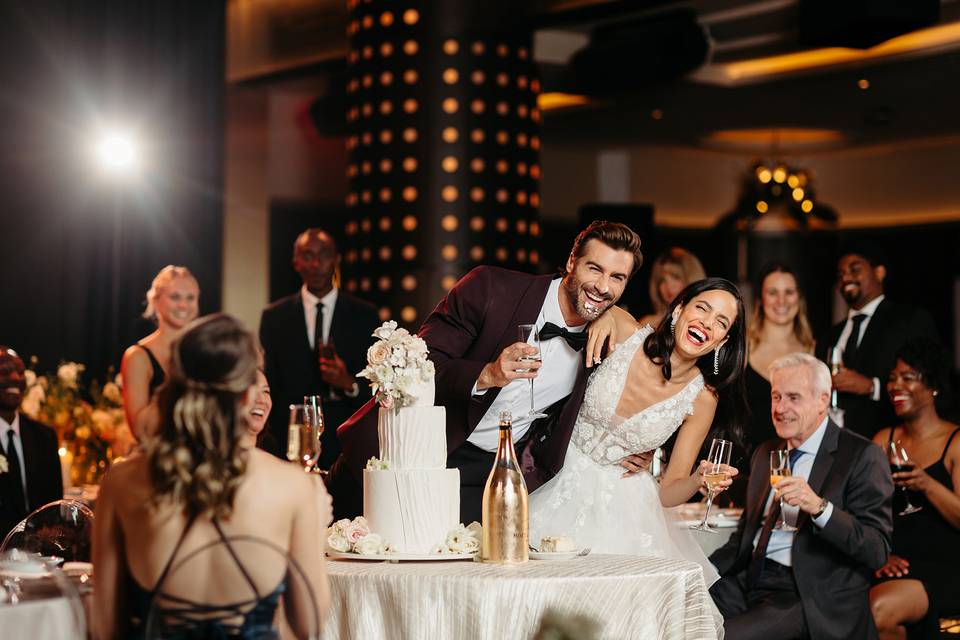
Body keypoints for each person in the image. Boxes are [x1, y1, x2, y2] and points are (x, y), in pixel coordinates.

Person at [335, 220, 648, 523]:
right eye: (594, 269)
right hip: (406, 451)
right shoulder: (490, 288)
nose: (603, 286)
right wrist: (488, 374)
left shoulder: (607, 340)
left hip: (485, 476)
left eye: (617, 277)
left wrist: (636, 446)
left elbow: (648, 385)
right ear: (571, 262)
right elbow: (418, 365)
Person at [93, 315, 331, 640]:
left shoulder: (121, 479)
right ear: (248, 395)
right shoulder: (292, 487)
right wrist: (314, 525)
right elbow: (310, 626)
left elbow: (105, 627)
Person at [530, 278, 747, 593]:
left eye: (721, 322)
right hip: (553, 472)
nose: (707, 323)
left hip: (621, 507)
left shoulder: (702, 400)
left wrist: (698, 480)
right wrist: (603, 314)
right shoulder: (619, 325)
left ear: (722, 341)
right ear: (679, 310)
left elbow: (668, 492)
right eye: (702, 308)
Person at [710, 353, 893, 640]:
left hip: (807, 594)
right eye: (776, 396)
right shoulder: (766, 452)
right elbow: (746, 535)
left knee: (723, 637)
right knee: (677, 614)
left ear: (823, 400)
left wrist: (820, 508)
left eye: (793, 397)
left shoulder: (861, 456)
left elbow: (877, 549)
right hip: (750, 578)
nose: (780, 408)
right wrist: (700, 571)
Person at [259, 228, 379, 469]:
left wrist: (350, 384)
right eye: (307, 255)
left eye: (323, 255)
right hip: (290, 442)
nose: (315, 263)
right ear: (296, 262)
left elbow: (381, 389)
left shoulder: (365, 315)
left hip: (348, 442)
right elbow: (270, 383)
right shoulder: (274, 317)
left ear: (336, 260)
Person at [870, 338, 960, 640]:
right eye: (893, 378)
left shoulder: (955, 443)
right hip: (892, 563)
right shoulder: (884, 439)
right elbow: (860, 507)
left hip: (945, 566)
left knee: (879, 609)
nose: (896, 386)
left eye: (908, 378)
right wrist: (879, 555)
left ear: (933, 385)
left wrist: (927, 484)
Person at [817, 243, 938, 438]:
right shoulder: (829, 335)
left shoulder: (909, 320)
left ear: (879, 273)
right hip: (835, 444)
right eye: (840, 274)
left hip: (888, 441)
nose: (846, 278)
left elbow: (931, 382)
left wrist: (871, 386)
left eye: (855, 269)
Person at [121, 265, 200, 440]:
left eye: (190, 298)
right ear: (156, 301)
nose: (183, 305)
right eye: (175, 297)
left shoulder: (204, 352)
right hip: (158, 460)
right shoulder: (138, 356)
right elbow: (140, 430)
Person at [744, 264, 815, 453]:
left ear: (799, 297)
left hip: (798, 461)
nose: (781, 301)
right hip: (744, 465)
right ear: (760, 299)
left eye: (789, 292)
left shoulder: (815, 350)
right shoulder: (742, 349)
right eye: (772, 292)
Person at [0, 346, 63, 539]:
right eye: (4, 371)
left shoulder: (44, 437)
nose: (16, 378)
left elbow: (54, 506)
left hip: (39, 558)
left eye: (20, 372)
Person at [637, 247, 705, 328]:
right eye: (662, 280)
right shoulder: (649, 324)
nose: (669, 286)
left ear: (692, 278)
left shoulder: (704, 325)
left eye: (676, 277)